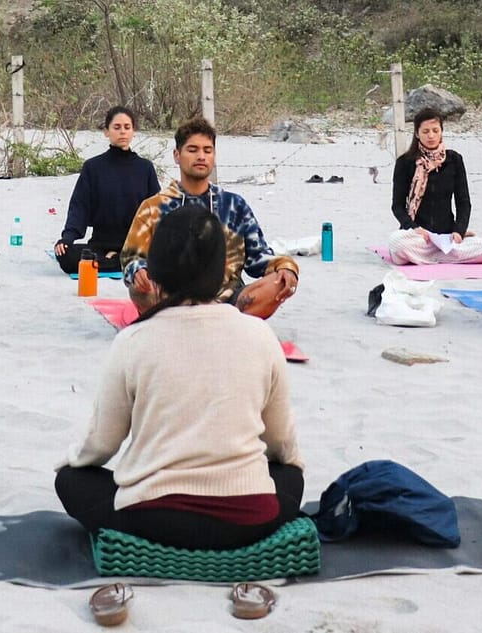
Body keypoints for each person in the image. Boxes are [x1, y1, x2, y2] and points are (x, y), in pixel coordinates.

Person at [57, 205, 304, 551]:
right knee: (290, 477)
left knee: (71, 480)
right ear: (222, 272)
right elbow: (282, 445)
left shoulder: (132, 340)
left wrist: (69, 462)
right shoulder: (259, 335)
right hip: (246, 522)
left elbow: (100, 445)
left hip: (151, 522)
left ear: (156, 271)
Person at [122, 118, 298, 318]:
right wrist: (138, 271)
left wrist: (286, 267)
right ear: (177, 155)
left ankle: (217, 318)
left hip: (228, 302)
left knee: (278, 283)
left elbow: (258, 259)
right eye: (193, 150)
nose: (201, 156)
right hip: (170, 299)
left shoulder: (234, 205)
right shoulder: (153, 207)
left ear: (214, 156)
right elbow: (131, 258)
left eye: (207, 150)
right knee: (139, 290)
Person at [53, 106, 160, 274]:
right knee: (65, 255)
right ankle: (116, 261)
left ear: (133, 131)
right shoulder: (93, 167)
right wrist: (67, 239)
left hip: (135, 244)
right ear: (106, 131)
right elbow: (79, 207)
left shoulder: (145, 168)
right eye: (117, 127)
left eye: (127, 127)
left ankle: (110, 261)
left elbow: (156, 210)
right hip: (100, 244)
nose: (122, 132)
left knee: (161, 256)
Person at [385, 108, 482, 265]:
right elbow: (397, 206)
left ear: (442, 132)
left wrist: (459, 232)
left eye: (435, 130)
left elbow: (463, 202)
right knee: (396, 242)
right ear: (417, 134)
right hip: (418, 237)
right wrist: (414, 228)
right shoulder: (405, 162)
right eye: (425, 131)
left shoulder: (454, 160)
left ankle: (432, 257)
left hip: (447, 236)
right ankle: (441, 257)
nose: (431, 136)